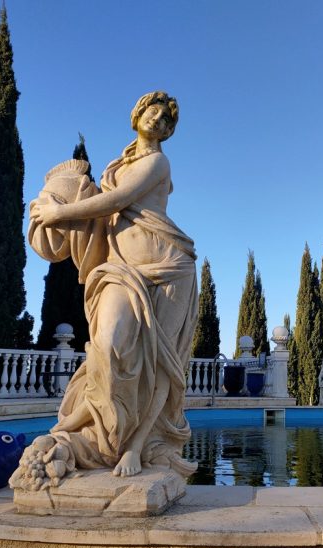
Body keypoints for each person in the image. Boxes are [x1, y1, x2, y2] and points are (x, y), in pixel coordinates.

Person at [25, 91, 198, 480]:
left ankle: (135, 447)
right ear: (137, 114)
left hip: (171, 267)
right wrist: (56, 207)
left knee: (162, 365)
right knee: (106, 346)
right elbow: (103, 208)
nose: (158, 119)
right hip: (121, 269)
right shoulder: (117, 164)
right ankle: (75, 427)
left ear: (169, 131)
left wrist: (61, 211)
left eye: (166, 118)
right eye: (152, 110)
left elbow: (118, 200)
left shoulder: (157, 161)